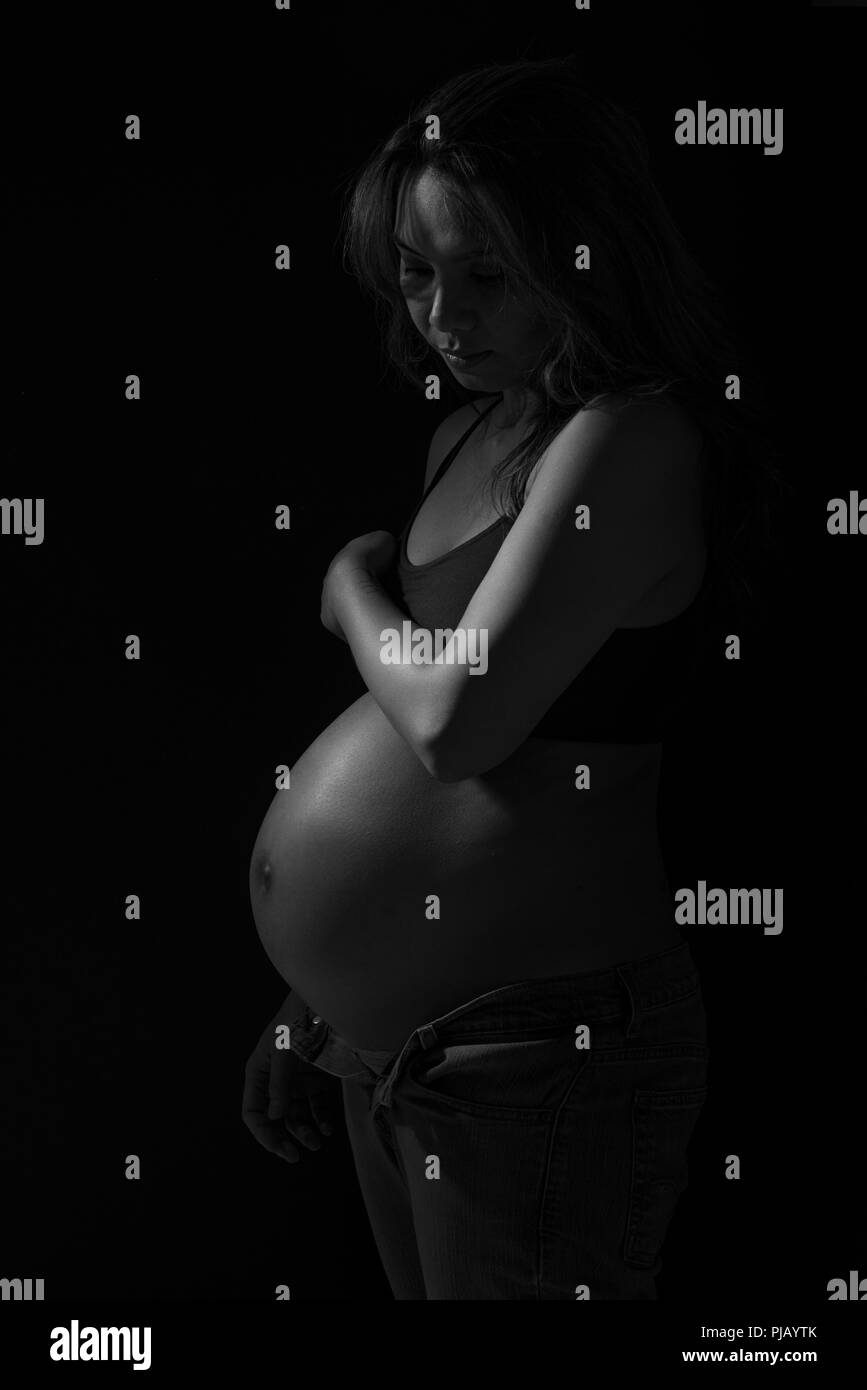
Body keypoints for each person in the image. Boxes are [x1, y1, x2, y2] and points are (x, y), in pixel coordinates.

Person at [242, 56, 781, 1300]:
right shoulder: (470, 433)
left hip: (539, 1056)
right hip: (397, 1052)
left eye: (488, 274)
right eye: (418, 273)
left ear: (586, 253)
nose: (444, 312)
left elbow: (456, 724)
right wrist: (315, 994)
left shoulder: (629, 437)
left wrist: (345, 586)